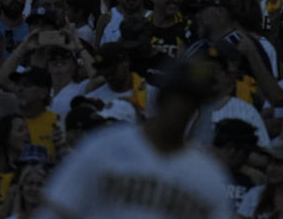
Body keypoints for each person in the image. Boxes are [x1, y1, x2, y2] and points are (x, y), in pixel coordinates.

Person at [35, 57, 230, 218]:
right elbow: (57, 210)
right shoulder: (104, 146)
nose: (185, 108)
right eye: (180, 98)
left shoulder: (207, 176)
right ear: (161, 98)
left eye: (193, 101)